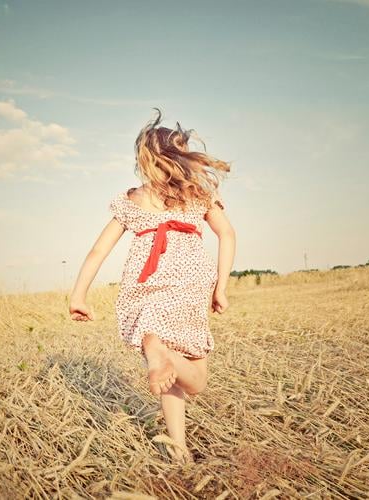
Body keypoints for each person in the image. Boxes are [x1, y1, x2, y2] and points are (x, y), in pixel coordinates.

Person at [68, 108, 236, 465]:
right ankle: (177, 439)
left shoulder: (133, 199)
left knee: (166, 372)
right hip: (189, 285)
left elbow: (98, 250)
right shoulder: (198, 195)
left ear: (143, 159)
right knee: (195, 380)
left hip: (144, 286)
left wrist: (77, 295)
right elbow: (227, 233)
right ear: (182, 156)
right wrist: (221, 287)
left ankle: (176, 443)